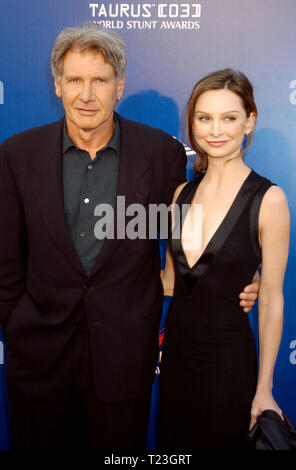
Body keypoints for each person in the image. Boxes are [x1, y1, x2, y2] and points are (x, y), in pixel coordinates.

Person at [0, 23, 258, 449]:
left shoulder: (161, 154)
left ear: (119, 86)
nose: (87, 94)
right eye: (75, 80)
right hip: (38, 360)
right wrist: (16, 326)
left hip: (124, 361)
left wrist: (251, 277)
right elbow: (7, 261)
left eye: (99, 80)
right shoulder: (16, 155)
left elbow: (195, 237)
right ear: (57, 86)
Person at [159, 69, 290, 450]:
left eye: (229, 118)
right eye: (204, 118)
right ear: (192, 125)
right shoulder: (180, 194)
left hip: (229, 365)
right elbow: (170, 281)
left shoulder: (269, 200)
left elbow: (269, 298)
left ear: (249, 121)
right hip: (177, 360)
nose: (215, 130)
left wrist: (264, 389)